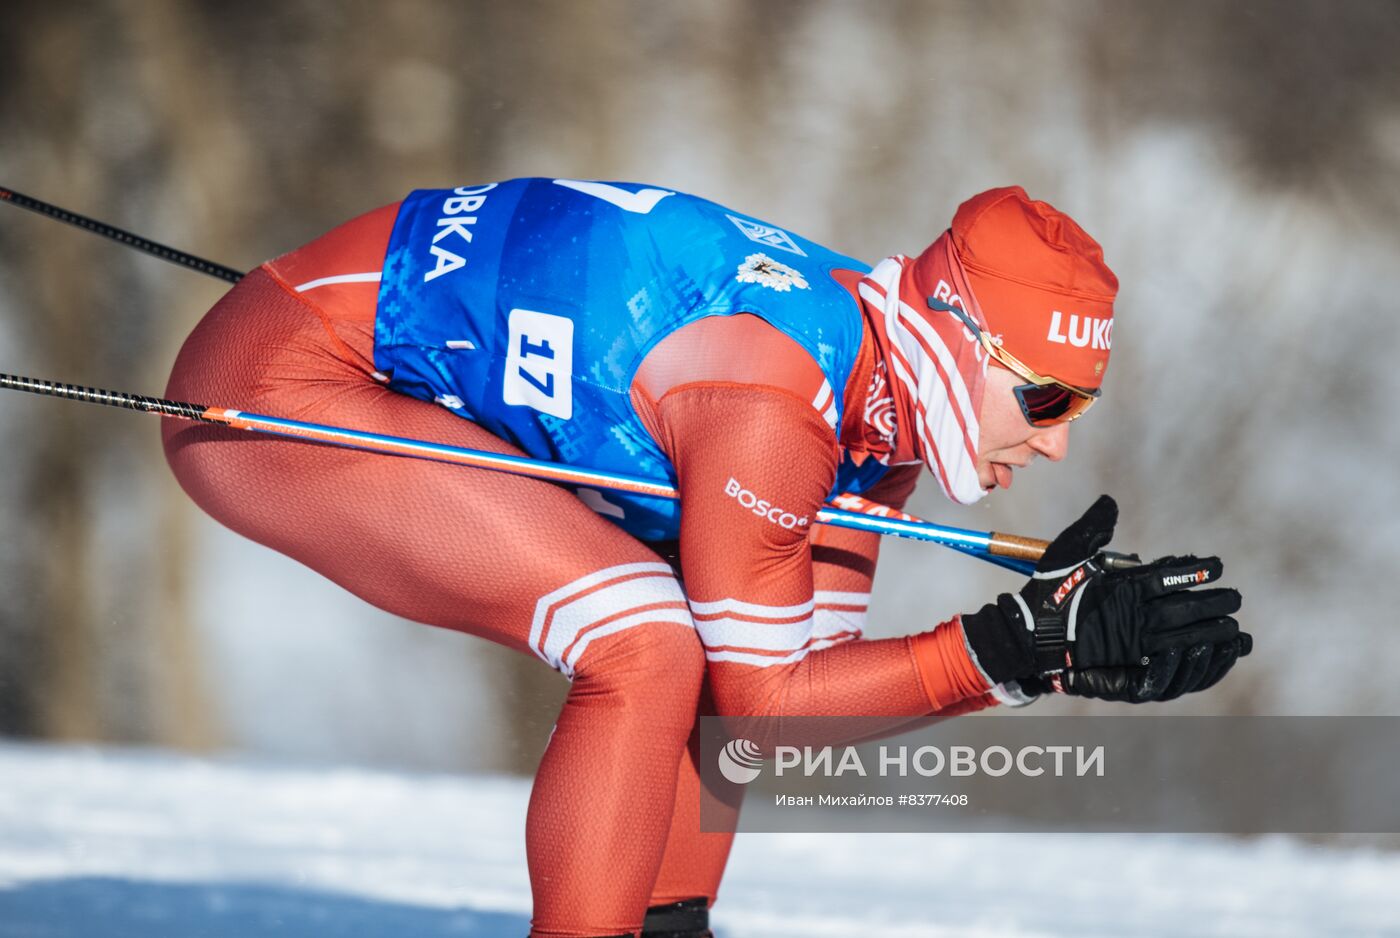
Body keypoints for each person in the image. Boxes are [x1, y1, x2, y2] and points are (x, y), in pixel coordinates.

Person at [160, 179, 1249, 938]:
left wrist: (1032, 654)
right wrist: (1009, 649)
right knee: (637, 634)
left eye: (1081, 407)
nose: (1056, 438)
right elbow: (773, 703)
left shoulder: (879, 415)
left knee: (691, 642)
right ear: (961, 338)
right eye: (1044, 398)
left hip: (389, 360)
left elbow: (765, 719)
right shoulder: (780, 403)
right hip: (278, 386)